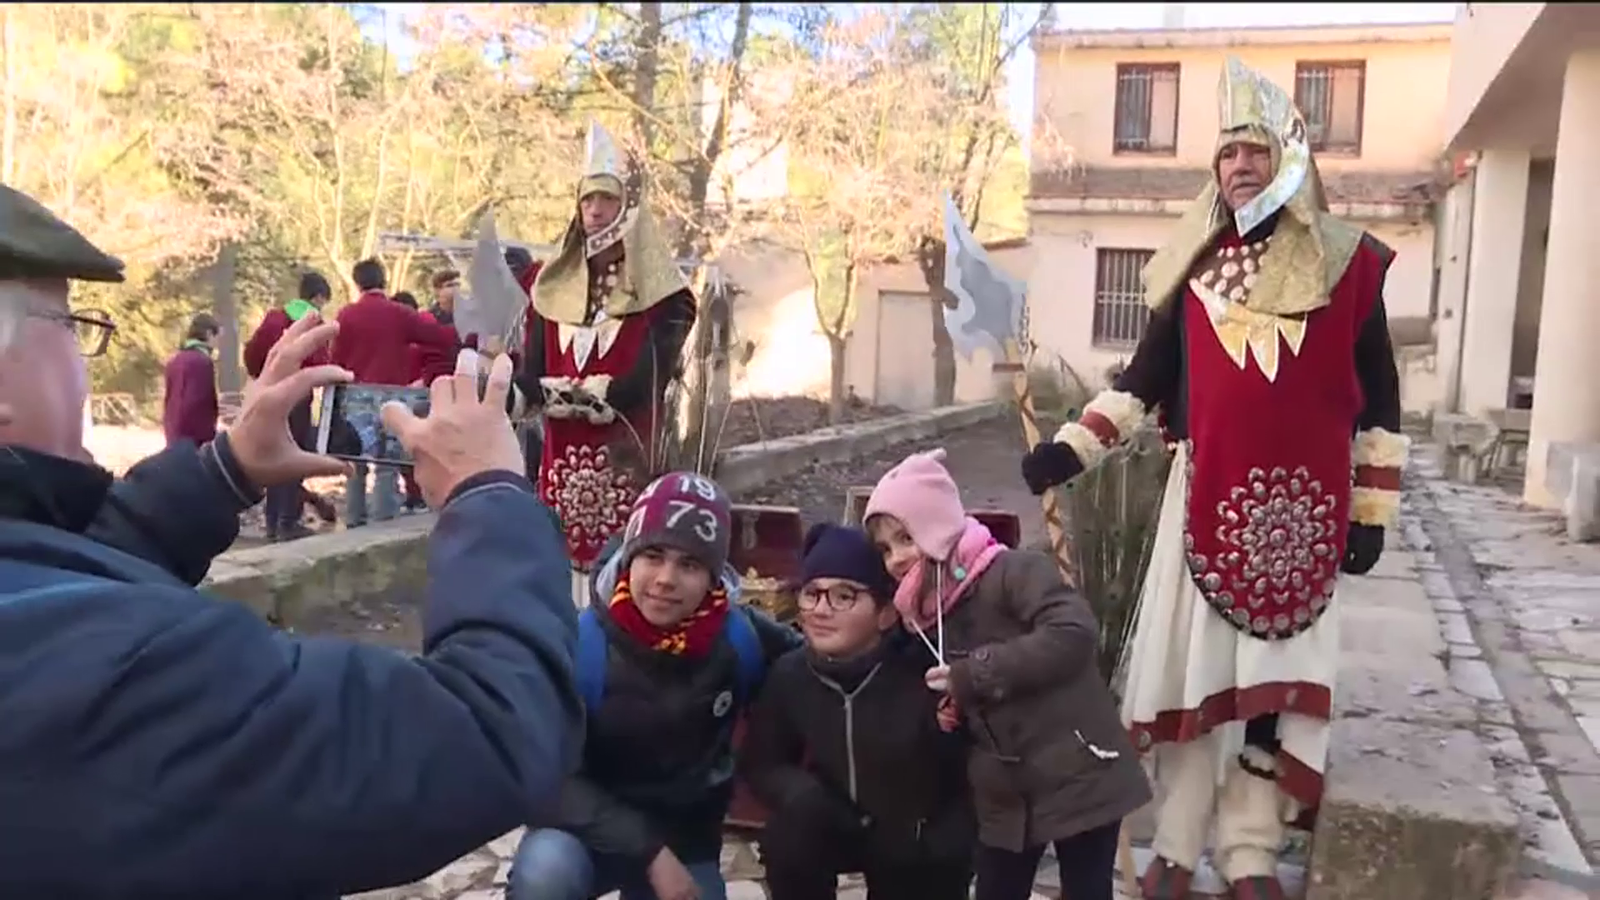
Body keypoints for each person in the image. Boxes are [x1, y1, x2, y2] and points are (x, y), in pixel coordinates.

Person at [0, 182, 583, 897]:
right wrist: (489, 494)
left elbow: (49, 575)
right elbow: (489, 734)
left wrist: (223, 472)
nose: (85, 360)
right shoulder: (128, 666)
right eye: (71, 324)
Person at [1018, 57, 1406, 900]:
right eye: (1227, 152)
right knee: (1191, 683)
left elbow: (1381, 399)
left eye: (1255, 149)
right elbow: (1139, 382)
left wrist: (1372, 510)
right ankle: (1178, 845)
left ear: (1291, 157)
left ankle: (1251, 853)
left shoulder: (1353, 267)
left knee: (1268, 702)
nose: (1239, 166)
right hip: (1201, 511)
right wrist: (1070, 451)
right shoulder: (1190, 268)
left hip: (1306, 519)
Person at [864, 448, 1151, 900]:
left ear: (937, 525)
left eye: (906, 537)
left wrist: (973, 675)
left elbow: (1072, 632)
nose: (896, 557)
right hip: (1005, 792)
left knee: (1086, 888)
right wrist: (950, 709)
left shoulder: (1012, 571)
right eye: (885, 548)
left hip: (1076, 770)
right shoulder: (925, 610)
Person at [508, 470, 801, 900]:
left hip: (687, 838)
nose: (666, 579)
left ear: (714, 577)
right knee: (545, 875)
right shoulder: (580, 645)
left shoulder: (740, 638)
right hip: (587, 834)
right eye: (653, 555)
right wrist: (649, 852)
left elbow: (817, 665)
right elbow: (546, 780)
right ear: (630, 558)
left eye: (690, 564)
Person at [741, 523, 974, 900]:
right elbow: (761, 762)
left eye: (843, 596)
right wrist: (802, 794)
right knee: (788, 835)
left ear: (885, 613)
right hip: (835, 817)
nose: (821, 610)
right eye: (812, 594)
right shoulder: (792, 673)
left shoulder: (926, 672)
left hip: (913, 836)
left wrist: (950, 837)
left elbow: (968, 765)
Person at [516, 121, 698, 605]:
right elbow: (529, 371)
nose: (595, 211)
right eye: (587, 201)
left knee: (624, 568)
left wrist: (599, 394)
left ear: (627, 211)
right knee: (559, 570)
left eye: (607, 201)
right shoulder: (548, 287)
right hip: (560, 464)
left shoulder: (665, 297)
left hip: (626, 456)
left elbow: (648, 377)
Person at [333, 257, 457, 526]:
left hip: (356, 396)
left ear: (357, 283)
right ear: (384, 281)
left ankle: (354, 520)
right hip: (392, 397)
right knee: (387, 465)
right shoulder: (399, 313)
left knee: (356, 461)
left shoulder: (346, 315)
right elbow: (439, 337)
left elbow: (336, 358)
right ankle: (382, 524)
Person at [244, 271, 332, 542]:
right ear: (317, 297)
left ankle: (272, 522)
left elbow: (252, 352)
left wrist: (262, 375)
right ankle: (287, 521)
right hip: (298, 398)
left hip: (270, 393)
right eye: (323, 300)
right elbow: (320, 361)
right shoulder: (314, 324)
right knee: (292, 457)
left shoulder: (274, 317)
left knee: (273, 455)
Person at [161, 311, 222, 448]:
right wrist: (209, 436)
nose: (218, 343)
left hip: (173, 435)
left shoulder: (174, 360)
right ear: (208, 334)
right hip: (194, 439)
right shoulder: (203, 362)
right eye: (217, 337)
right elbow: (202, 404)